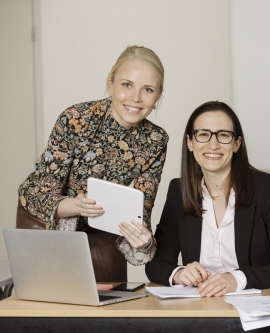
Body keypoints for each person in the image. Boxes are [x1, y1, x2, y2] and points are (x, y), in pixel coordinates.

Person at [18, 46, 168, 282]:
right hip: (48, 215)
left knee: (109, 307)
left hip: (101, 224)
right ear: (111, 83)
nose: (136, 98)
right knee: (48, 307)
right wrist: (77, 205)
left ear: (158, 95)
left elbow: (140, 208)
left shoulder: (156, 140)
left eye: (147, 89)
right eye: (126, 84)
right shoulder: (76, 118)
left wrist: (144, 239)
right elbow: (39, 194)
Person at [145, 101, 270, 296]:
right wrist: (179, 273)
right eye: (203, 134)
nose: (213, 144)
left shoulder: (268, 189)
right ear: (190, 142)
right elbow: (155, 265)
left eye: (224, 135)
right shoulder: (179, 191)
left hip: (257, 308)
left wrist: (236, 279)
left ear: (236, 144)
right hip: (200, 306)